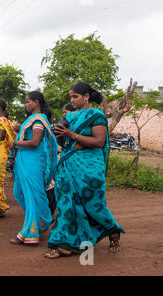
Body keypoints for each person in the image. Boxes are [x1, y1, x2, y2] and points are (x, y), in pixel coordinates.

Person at [45, 81, 124, 259]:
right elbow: (64, 143)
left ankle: (112, 229)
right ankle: (67, 244)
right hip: (68, 165)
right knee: (67, 205)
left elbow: (98, 141)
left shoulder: (96, 115)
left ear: (86, 96)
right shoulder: (71, 116)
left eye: (75, 96)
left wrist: (71, 135)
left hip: (88, 167)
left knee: (92, 204)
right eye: (71, 97)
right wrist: (58, 135)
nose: (72, 100)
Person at [8, 91, 58, 245]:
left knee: (32, 195)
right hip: (27, 159)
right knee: (20, 191)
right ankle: (42, 220)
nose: (25, 105)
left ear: (36, 102)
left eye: (27, 102)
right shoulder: (33, 119)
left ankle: (29, 232)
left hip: (33, 160)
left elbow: (35, 141)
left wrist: (15, 143)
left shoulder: (38, 120)